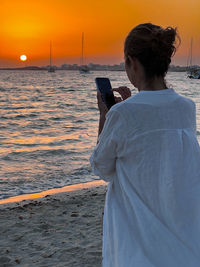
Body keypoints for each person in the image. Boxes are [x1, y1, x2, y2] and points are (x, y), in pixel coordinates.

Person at [90, 23, 200, 267]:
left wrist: (105, 116)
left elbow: (102, 167)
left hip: (138, 241)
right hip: (181, 237)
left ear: (132, 62)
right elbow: (161, 153)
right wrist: (126, 109)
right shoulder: (186, 107)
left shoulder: (122, 114)